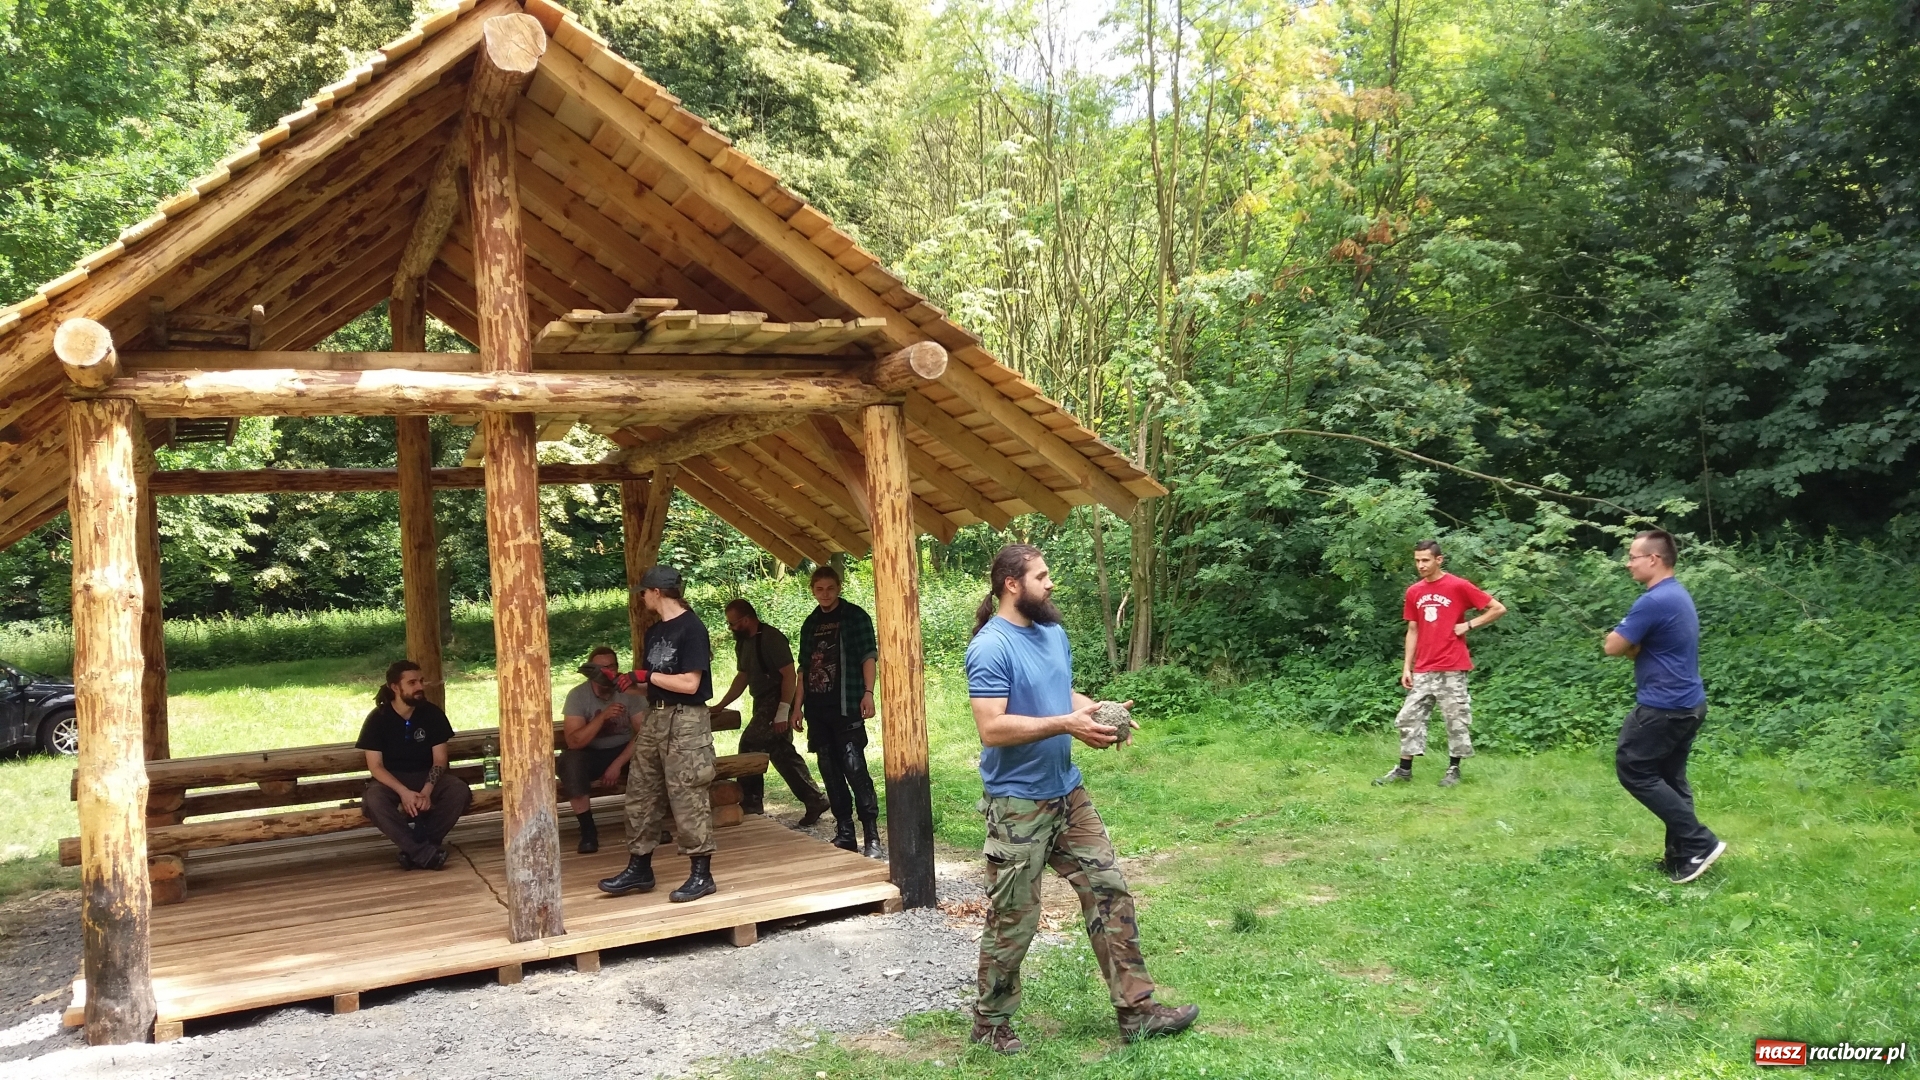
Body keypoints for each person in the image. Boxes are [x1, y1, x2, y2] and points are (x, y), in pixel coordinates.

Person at [964, 543, 1198, 1054]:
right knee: (1014, 917)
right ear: (1011, 584)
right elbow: (992, 727)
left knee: (1109, 888)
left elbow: (1060, 695)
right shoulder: (990, 646)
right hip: (1017, 805)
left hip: (1067, 791)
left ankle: (1137, 1012)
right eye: (1041, 576)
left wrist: (1095, 711)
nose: (1050, 584)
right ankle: (990, 1024)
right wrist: (1067, 723)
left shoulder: (1052, 633)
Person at [1604, 529, 1727, 884]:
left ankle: (1701, 842)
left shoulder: (1654, 601)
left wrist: (1627, 644)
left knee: (1635, 769)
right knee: (1671, 779)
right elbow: (1631, 646)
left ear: (1654, 559)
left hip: (1664, 706)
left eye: (1633, 557)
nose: (1628, 564)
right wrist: (1632, 645)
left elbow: (1613, 646)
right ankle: (1682, 855)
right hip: (1689, 703)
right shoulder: (1676, 595)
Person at [599, 565, 720, 903]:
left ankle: (701, 874)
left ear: (657, 592)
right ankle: (640, 867)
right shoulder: (654, 633)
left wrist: (646, 677)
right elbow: (652, 684)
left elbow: (690, 683)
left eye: (645, 591)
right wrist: (628, 682)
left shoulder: (692, 628)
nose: (642, 596)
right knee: (641, 791)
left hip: (686, 723)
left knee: (687, 793)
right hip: (656, 717)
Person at [1374, 540, 1507, 787]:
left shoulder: (1458, 585)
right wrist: (1407, 666)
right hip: (1424, 667)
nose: (1421, 565)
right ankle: (1404, 770)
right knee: (1408, 717)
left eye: (1426, 560)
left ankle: (1454, 769)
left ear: (1439, 560)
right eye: (1417, 560)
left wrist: (1468, 625)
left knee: (1455, 719)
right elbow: (1412, 629)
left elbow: (1497, 608)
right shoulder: (1414, 591)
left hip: (1452, 665)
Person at [715, 599, 831, 825]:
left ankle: (751, 803)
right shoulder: (743, 642)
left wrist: (783, 711)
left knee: (749, 744)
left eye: (733, 624)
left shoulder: (771, 638)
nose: (731, 628)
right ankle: (814, 799)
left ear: (746, 619)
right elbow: (743, 677)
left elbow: (789, 676)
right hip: (761, 701)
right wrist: (720, 705)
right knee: (780, 751)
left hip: (777, 698)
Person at [794, 566, 882, 857]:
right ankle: (845, 832)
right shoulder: (810, 624)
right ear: (812, 590)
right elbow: (804, 669)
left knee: (854, 767)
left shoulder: (855, 617)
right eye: (819, 589)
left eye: (830, 588)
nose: (825, 594)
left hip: (847, 704)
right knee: (829, 770)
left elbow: (868, 656)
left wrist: (868, 693)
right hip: (817, 709)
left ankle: (871, 835)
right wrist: (796, 707)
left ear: (839, 587)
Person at [358, 660, 472, 871]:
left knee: (458, 790)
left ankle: (415, 850)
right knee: (374, 800)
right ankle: (424, 852)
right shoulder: (378, 719)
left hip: (426, 776)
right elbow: (376, 767)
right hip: (392, 781)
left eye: (421, 681)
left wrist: (427, 791)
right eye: (412, 683)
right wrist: (404, 792)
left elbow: (439, 760)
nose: (420, 687)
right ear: (395, 687)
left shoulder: (432, 714)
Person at [560, 646, 645, 853]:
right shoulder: (578, 696)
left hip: (623, 752)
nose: (608, 672)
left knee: (651, 754)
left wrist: (617, 764)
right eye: (601, 668)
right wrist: (602, 717)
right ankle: (588, 831)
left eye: (612, 666)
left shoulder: (630, 693)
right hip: (591, 754)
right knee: (570, 762)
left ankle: (648, 826)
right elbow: (574, 741)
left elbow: (645, 733)